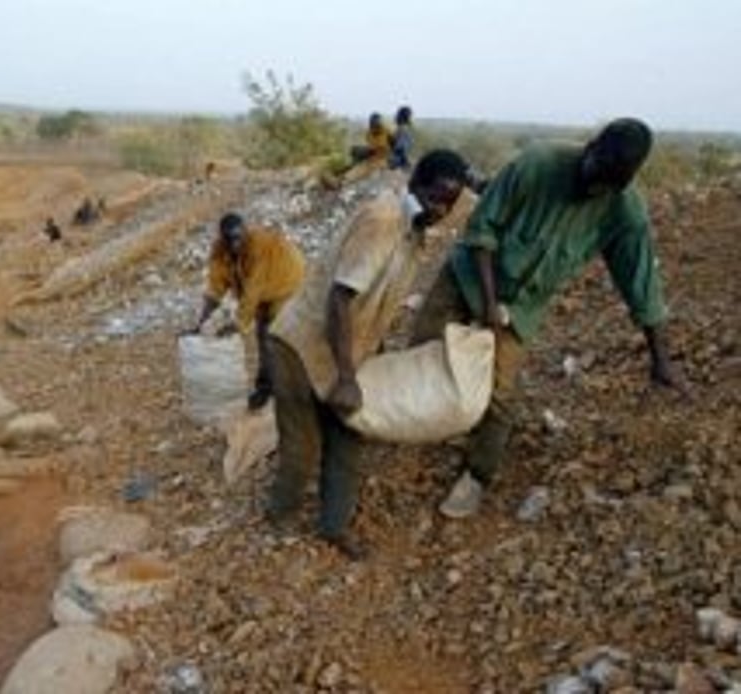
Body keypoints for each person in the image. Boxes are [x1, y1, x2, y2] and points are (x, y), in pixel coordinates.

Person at [414, 118, 688, 520]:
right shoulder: (538, 163)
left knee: (501, 395)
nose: (598, 189)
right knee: (423, 345)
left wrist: (660, 359)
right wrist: (489, 304)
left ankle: (476, 475)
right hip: (471, 274)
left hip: (523, 303)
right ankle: (420, 424)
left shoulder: (624, 210)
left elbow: (641, 284)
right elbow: (482, 230)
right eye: (598, 174)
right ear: (591, 146)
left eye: (613, 184)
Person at [267, 150, 474, 558]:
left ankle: (333, 526)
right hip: (301, 345)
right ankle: (279, 517)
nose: (440, 210)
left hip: (344, 352)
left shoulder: (415, 232)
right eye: (435, 197)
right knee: (302, 447)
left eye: (449, 203)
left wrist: (365, 362)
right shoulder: (383, 222)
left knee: (349, 439)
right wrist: (346, 377)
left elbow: (374, 304)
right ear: (416, 184)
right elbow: (339, 300)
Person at [187, 213, 306, 410]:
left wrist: (238, 325)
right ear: (222, 238)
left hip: (287, 281)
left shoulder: (258, 246)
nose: (235, 243)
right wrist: (201, 323)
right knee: (262, 338)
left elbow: (252, 291)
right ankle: (266, 388)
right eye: (230, 239)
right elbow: (214, 289)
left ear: (245, 232)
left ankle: (290, 389)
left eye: (238, 238)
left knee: (275, 336)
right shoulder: (219, 251)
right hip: (262, 292)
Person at [389, 106, 415, 170]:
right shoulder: (402, 128)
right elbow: (399, 146)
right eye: (409, 115)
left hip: (398, 156)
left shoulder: (401, 127)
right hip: (398, 157)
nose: (410, 117)